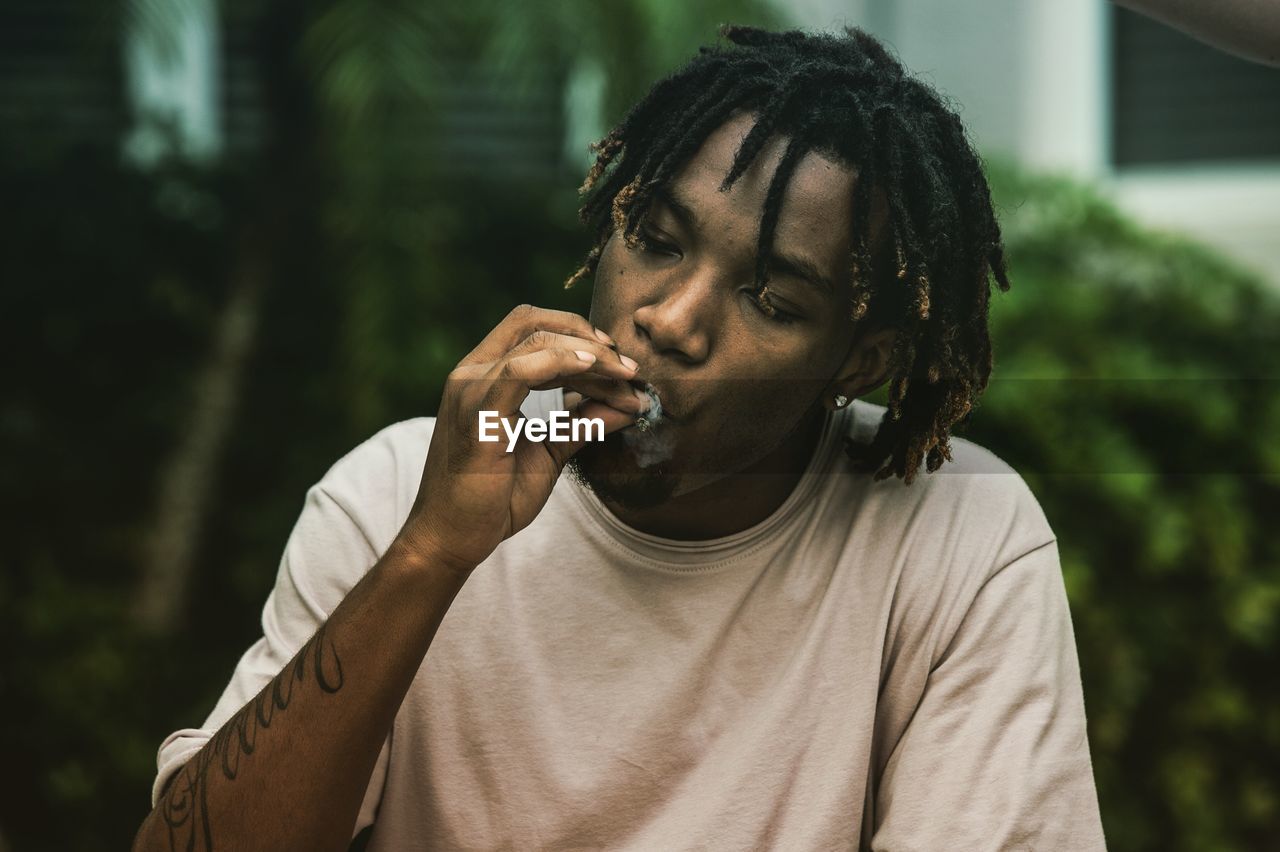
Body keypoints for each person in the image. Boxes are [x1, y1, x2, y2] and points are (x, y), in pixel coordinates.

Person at [133, 26, 1106, 852]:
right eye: (655, 239)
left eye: (769, 297)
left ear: (858, 363)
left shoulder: (954, 541)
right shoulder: (396, 496)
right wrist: (429, 557)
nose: (669, 320)